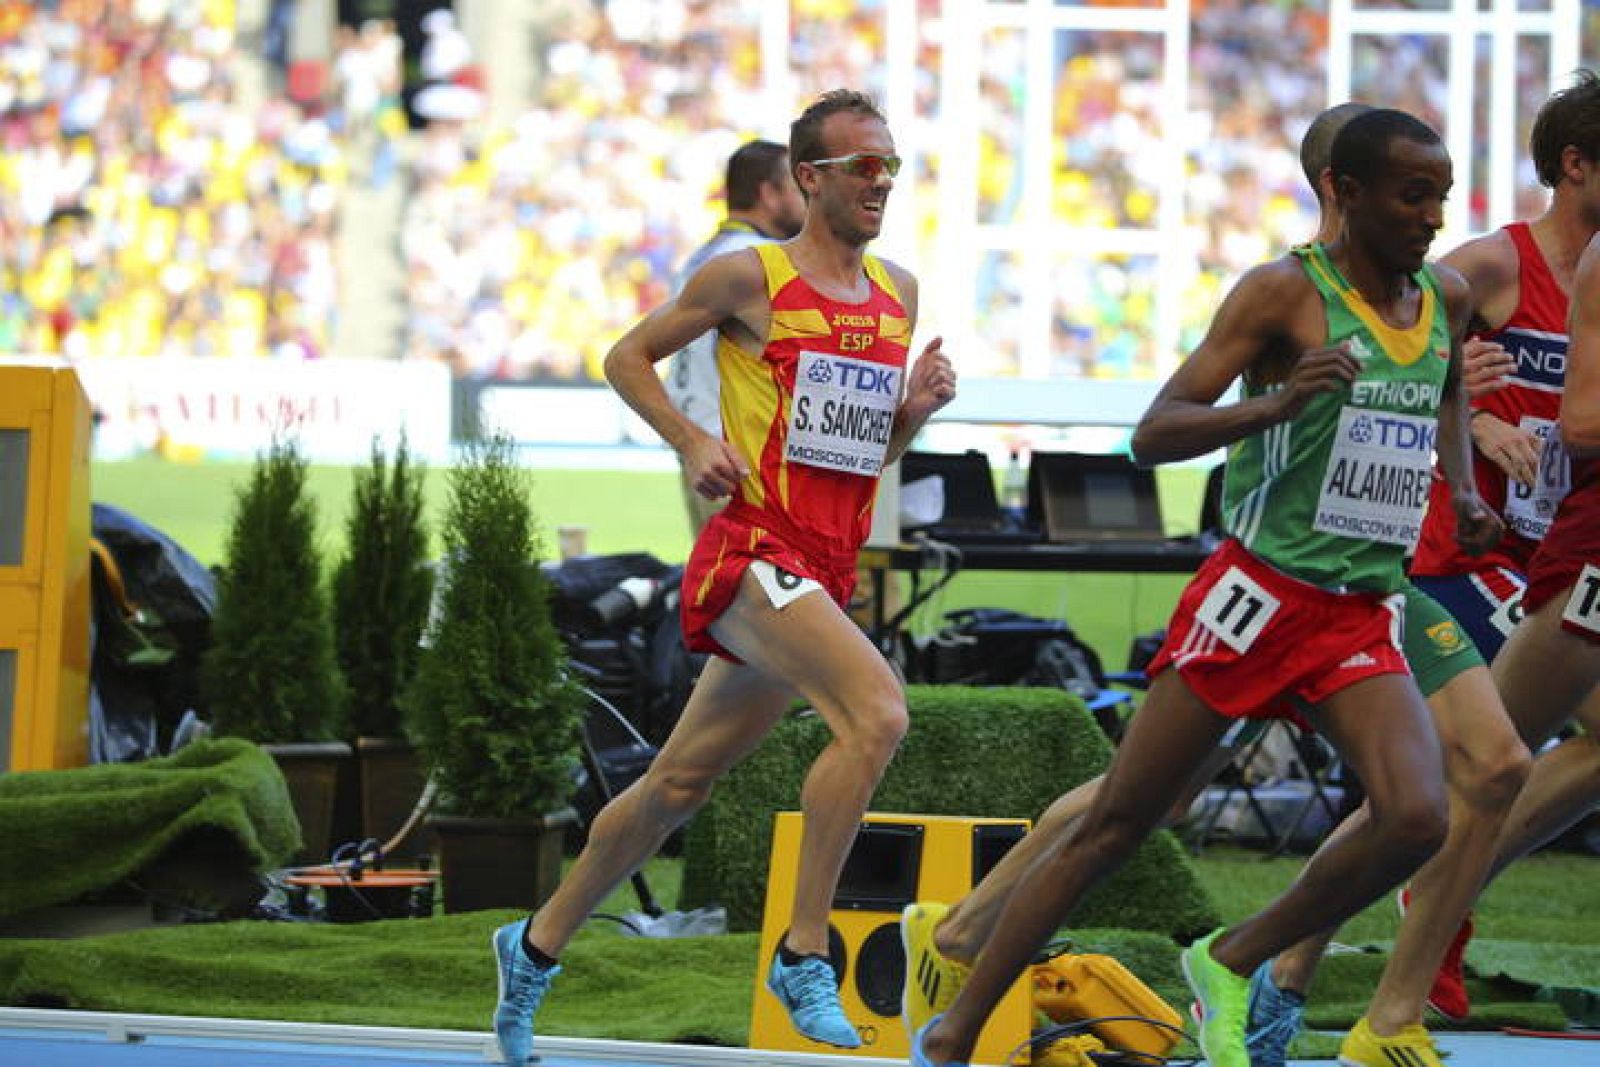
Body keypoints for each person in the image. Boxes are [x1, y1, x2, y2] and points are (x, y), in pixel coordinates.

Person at [911, 108, 1501, 1067]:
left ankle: (1232, 957)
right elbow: (1154, 431)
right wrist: (1277, 399)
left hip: (1359, 611)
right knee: (1119, 824)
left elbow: (1445, 392)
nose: (1432, 216)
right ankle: (958, 1027)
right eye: (1411, 195)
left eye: (1440, 195)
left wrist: (1464, 488)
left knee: (1417, 816)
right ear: (1346, 194)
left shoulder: (1449, 296)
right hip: (1258, 598)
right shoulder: (1283, 296)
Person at [486, 89, 957, 1067]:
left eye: (891, 165)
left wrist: (910, 412)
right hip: (750, 550)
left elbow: (858, 455)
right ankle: (803, 949)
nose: (881, 182)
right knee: (878, 713)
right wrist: (692, 434)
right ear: (809, 179)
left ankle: (532, 946)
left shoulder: (898, 294)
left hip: (821, 559)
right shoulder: (748, 276)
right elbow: (626, 356)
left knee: (678, 780)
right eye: (862, 165)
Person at [1260, 69, 1600, 1042]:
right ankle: (1348, 943)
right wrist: (1483, 421)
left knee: (1464, 780)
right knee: (1475, 766)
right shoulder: (1494, 266)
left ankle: (1408, 906)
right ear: (1574, 164)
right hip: (1460, 551)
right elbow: (1405, 344)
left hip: (1545, 538)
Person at [665, 139, 806, 535]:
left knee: (723, 586)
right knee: (761, 590)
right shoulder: (757, 260)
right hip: (741, 456)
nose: (810, 200)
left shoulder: (706, 256)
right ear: (768, 194)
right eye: (798, 187)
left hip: (704, 446)